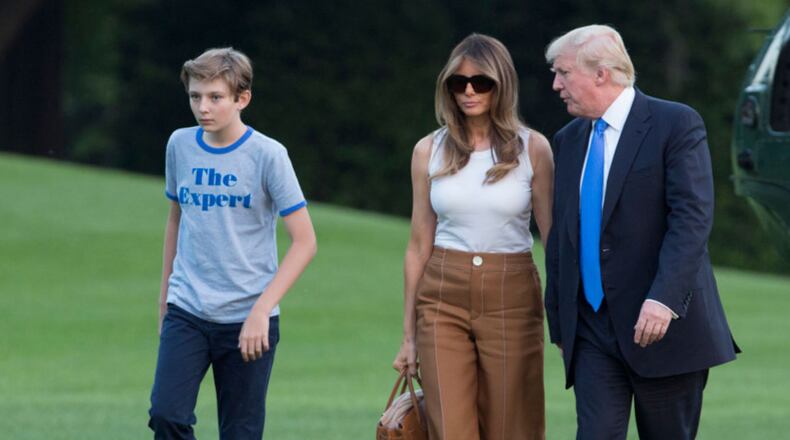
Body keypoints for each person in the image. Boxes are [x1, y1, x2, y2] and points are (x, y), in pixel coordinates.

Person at [544, 25, 739, 439]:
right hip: (592, 331)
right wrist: (561, 321)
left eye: (563, 72)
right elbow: (563, 236)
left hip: (661, 327)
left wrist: (663, 299)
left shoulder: (675, 123)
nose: (555, 84)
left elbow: (692, 218)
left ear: (601, 73)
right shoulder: (567, 140)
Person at [148, 47, 317, 439]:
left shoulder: (268, 155)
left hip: (249, 317)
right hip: (187, 309)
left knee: (240, 432)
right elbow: (176, 220)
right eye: (195, 96)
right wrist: (165, 300)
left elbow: (305, 242)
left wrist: (262, 309)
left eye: (215, 97)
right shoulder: (180, 145)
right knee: (166, 415)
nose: (202, 107)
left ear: (242, 99)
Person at [393, 33, 554, 440]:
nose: (468, 91)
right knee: (449, 426)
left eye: (481, 82)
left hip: (512, 293)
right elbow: (417, 246)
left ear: (502, 85)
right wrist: (408, 336)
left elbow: (552, 239)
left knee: (512, 426)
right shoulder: (428, 150)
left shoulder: (533, 149)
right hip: (442, 293)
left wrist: (566, 318)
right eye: (457, 83)